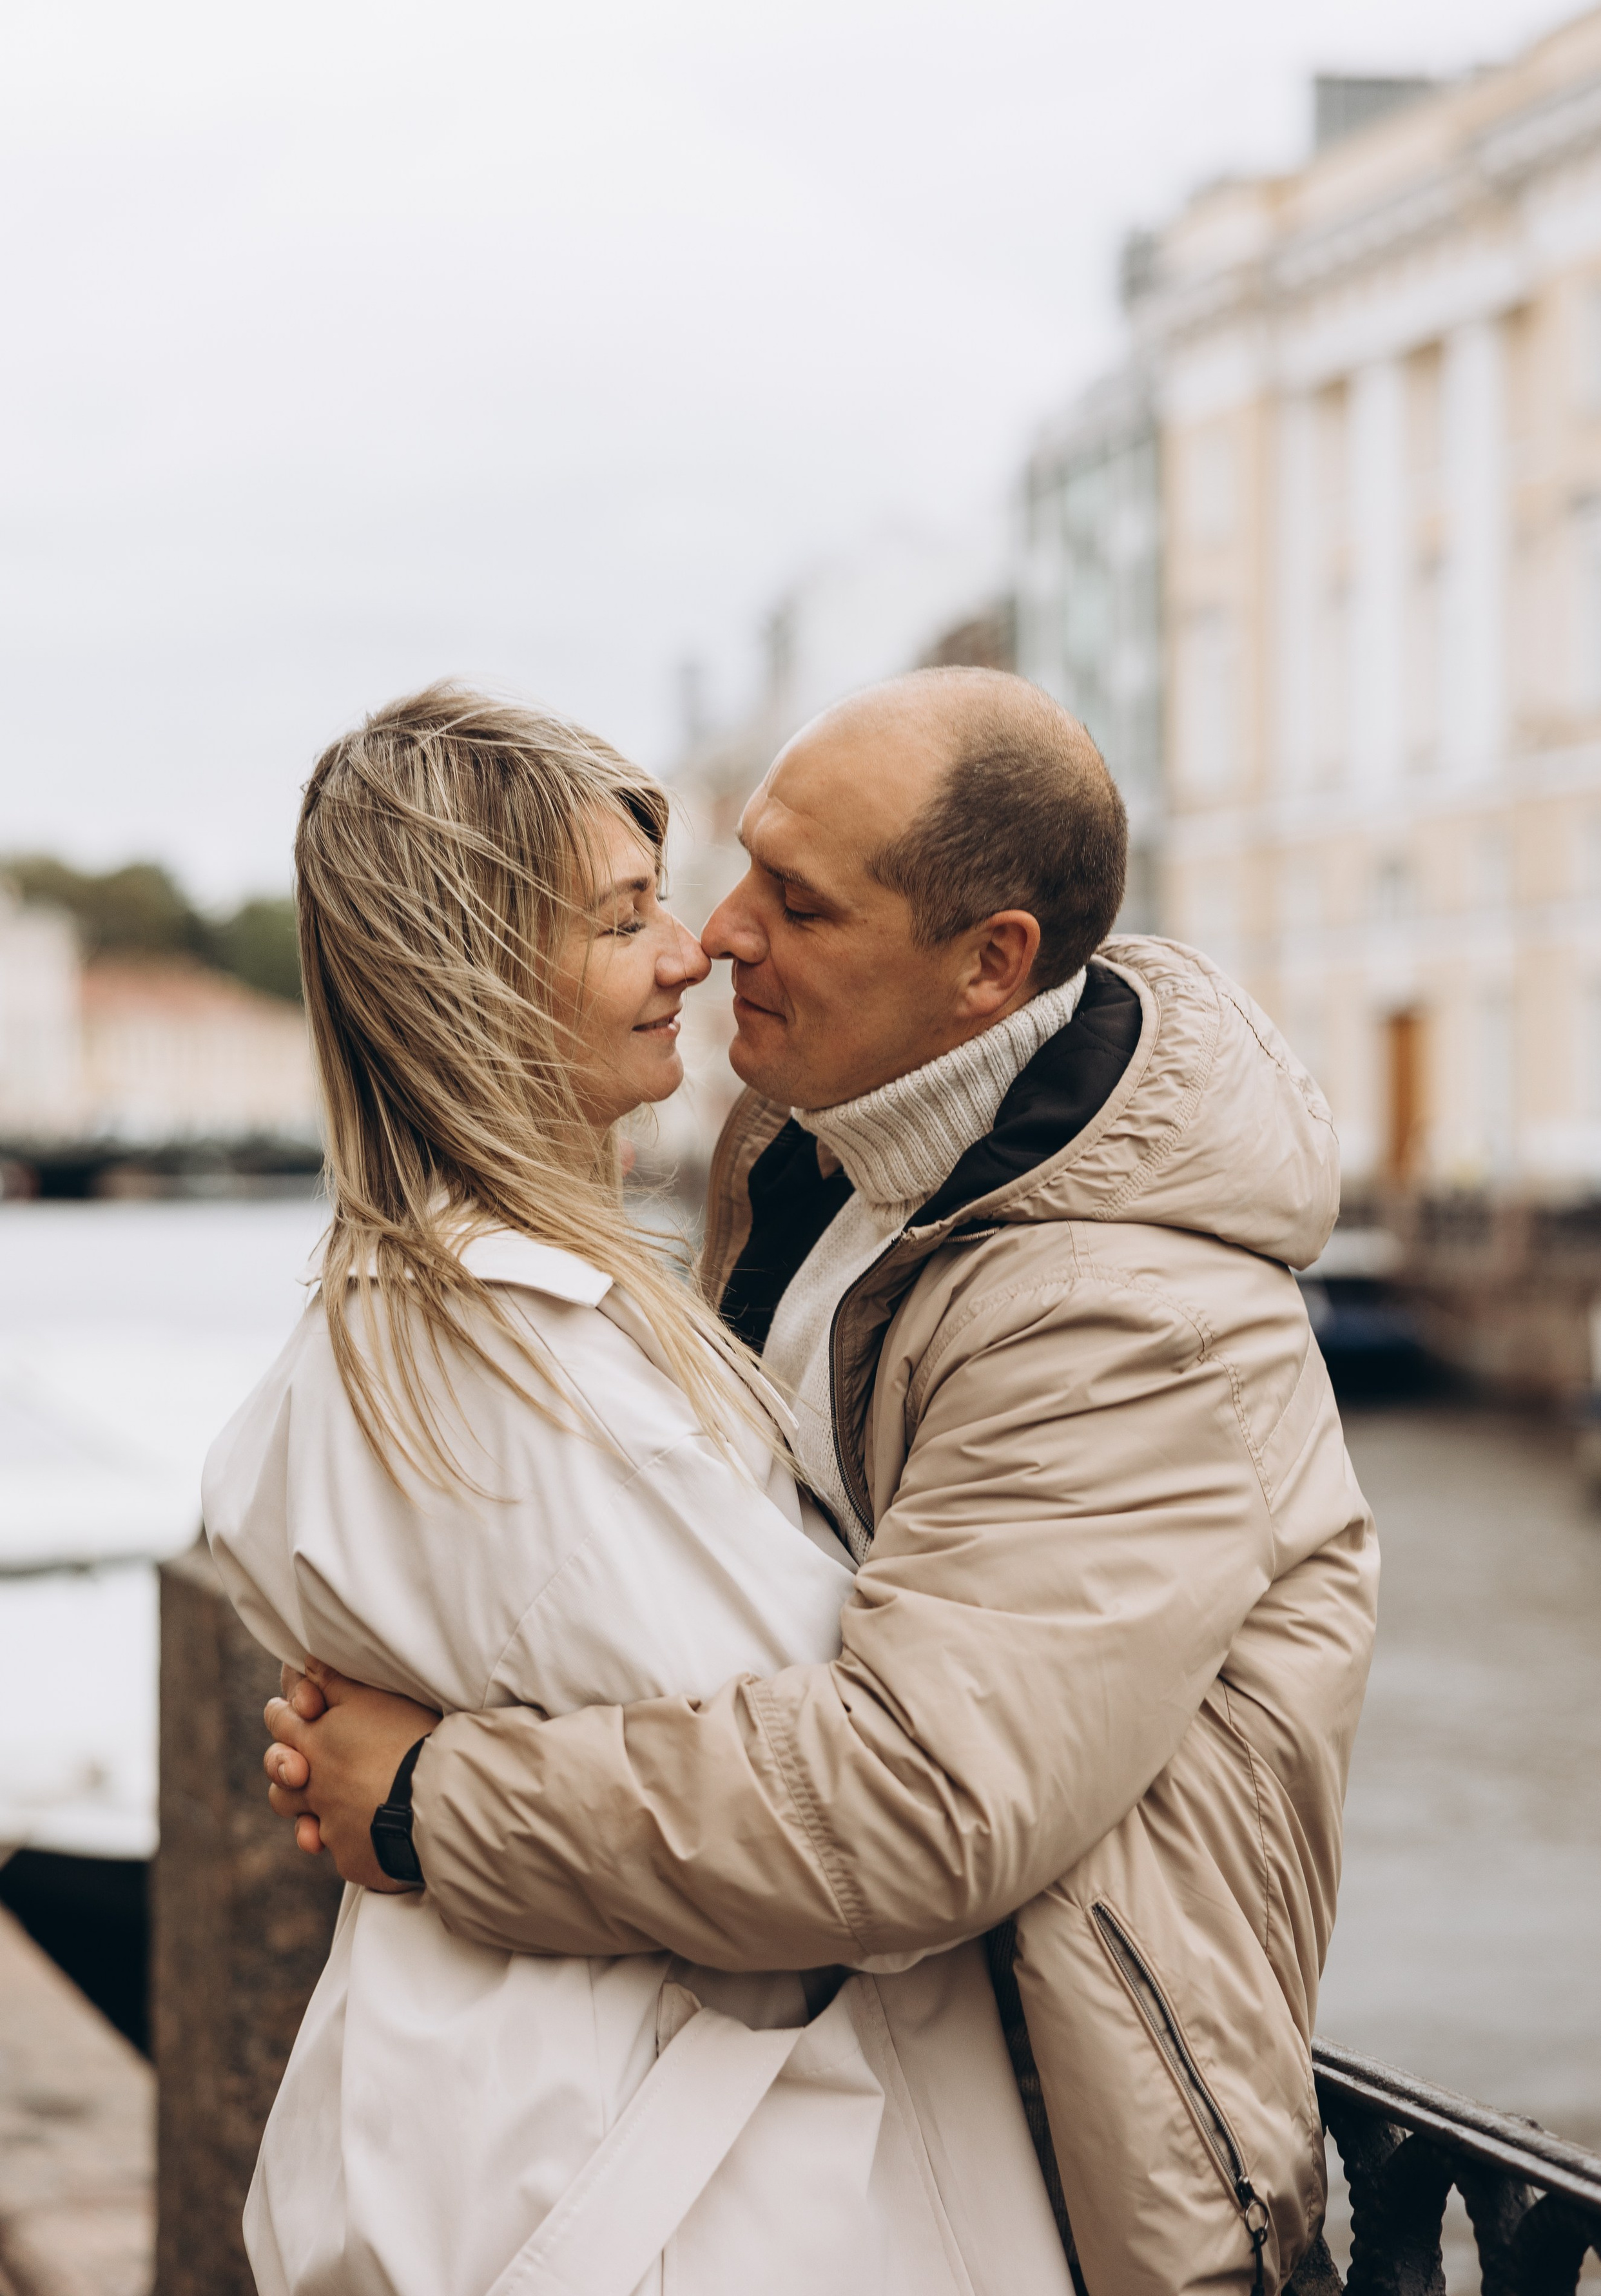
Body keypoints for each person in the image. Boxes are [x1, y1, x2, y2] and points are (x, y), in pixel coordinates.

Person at [265, 666, 1380, 2296]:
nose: (716, 934)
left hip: (1072, 2167)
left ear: (988, 965)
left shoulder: (1135, 1319)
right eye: (723, 873)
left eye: (795, 900)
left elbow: (916, 1801)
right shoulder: (809, 1166)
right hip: (852, 2124)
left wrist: (439, 1803)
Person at [204, 684, 1074, 2296]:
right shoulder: (520, 1372)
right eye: (623, 920)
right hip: (649, 2197)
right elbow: (859, 1801)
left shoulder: (427, 1326)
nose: (692, 952)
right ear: (469, 978)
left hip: (528, 2152)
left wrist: (424, 1782)